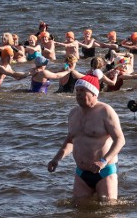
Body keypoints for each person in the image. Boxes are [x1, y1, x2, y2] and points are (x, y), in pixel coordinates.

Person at [47, 74, 126, 202]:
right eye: (77, 91)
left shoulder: (105, 111)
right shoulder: (73, 113)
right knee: (79, 213)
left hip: (105, 171)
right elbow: (70, 141)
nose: (78, 94)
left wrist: (103, 161)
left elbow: (120, 140)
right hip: (82, 173)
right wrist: (56, 159)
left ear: (94, 93)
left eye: (82, 91)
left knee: (108, 214)